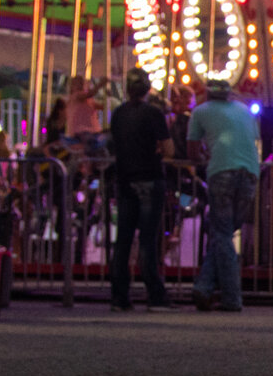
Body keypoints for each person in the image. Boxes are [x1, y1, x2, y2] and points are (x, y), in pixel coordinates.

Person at [188, 77, 261, 311]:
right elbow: (254, 139)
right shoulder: (245, 110)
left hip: (222, 172)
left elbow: (192, 151)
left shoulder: (200, 112)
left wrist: (203, 157)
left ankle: (232, 297)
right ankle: (204, 286)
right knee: (224, 232)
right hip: (250, 172)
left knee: (221, 233)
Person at [104, 68, 173, 310]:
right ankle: (154, 294)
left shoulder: (118, 114)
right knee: (147, 239)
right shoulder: (154, 114)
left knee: (123, 240)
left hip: (125, 179)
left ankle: (119, 296)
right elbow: (169, 149)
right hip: (149, 177)